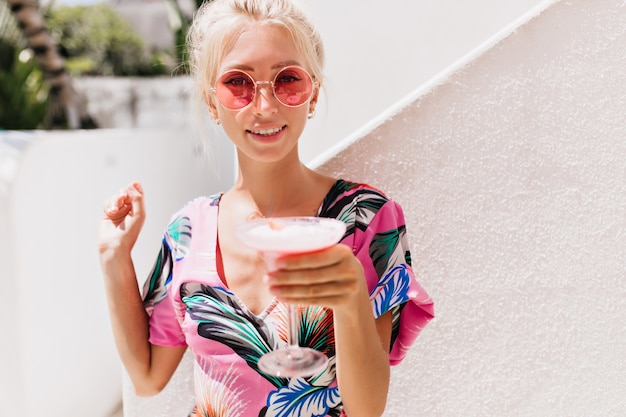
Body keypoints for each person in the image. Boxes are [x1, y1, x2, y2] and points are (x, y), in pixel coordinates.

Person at [98, 0, 435, 416]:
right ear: (211, 102)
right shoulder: (189, 229)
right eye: (238, 83)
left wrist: (349, 299)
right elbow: (147, 378)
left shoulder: (365, 218)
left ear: (312, 94)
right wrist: (114, 257)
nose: (264, 106)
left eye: (287, 79)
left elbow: (368, 409)